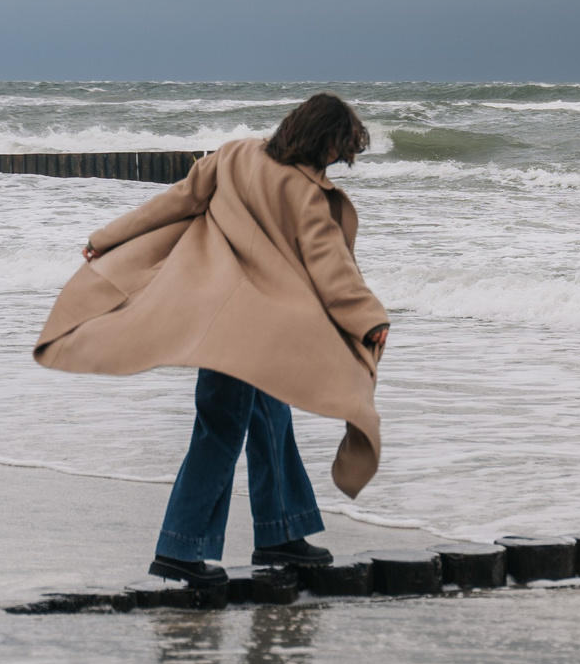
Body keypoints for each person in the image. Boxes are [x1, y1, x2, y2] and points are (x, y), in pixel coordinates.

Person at [33, 92, 391, 585]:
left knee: (270, 417)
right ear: (321, 139)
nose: (338, 159)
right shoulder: (304, 192)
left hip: (232, 323)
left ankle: (280, 532)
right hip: (249, 327)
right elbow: (329, 263)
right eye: (338, 147)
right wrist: (369, 319)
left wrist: (105, 237)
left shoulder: (233, 154)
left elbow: (174, 200)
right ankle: (179, 548)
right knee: (220, 427)